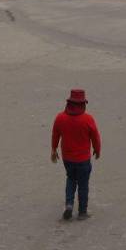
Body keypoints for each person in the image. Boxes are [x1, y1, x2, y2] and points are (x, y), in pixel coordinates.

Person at [51, 88, 102, 220]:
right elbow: (95, 137)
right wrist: (97, 149)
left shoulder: (60, 118)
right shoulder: (88, 119)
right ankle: (82, 212)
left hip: (67, 158)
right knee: (83, 184)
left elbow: (55, 134)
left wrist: (53, 149)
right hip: (83, 159)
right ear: (83, 104)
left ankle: (69, 204)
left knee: (71, 179)